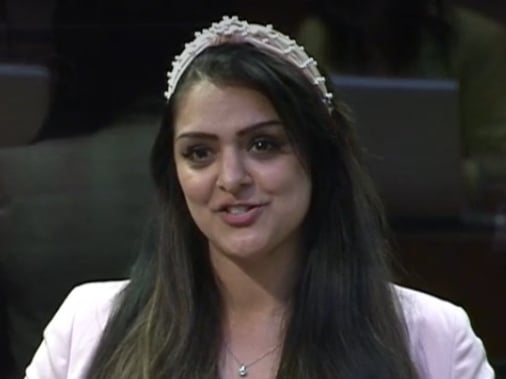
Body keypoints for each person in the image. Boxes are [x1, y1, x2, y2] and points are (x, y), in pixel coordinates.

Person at [24, 16, 494, 379]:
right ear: (174, 173)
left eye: (263, 145)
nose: (231, 177)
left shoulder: (433, 338)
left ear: (319, 156)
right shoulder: (87, 326)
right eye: (200, 152)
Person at [296, 0, 506, 179]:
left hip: (452, 219)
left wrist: (433, 177)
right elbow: (301, 141)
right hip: (341, 214)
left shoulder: (478, 42)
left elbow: (497, 160)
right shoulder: (319, 36)